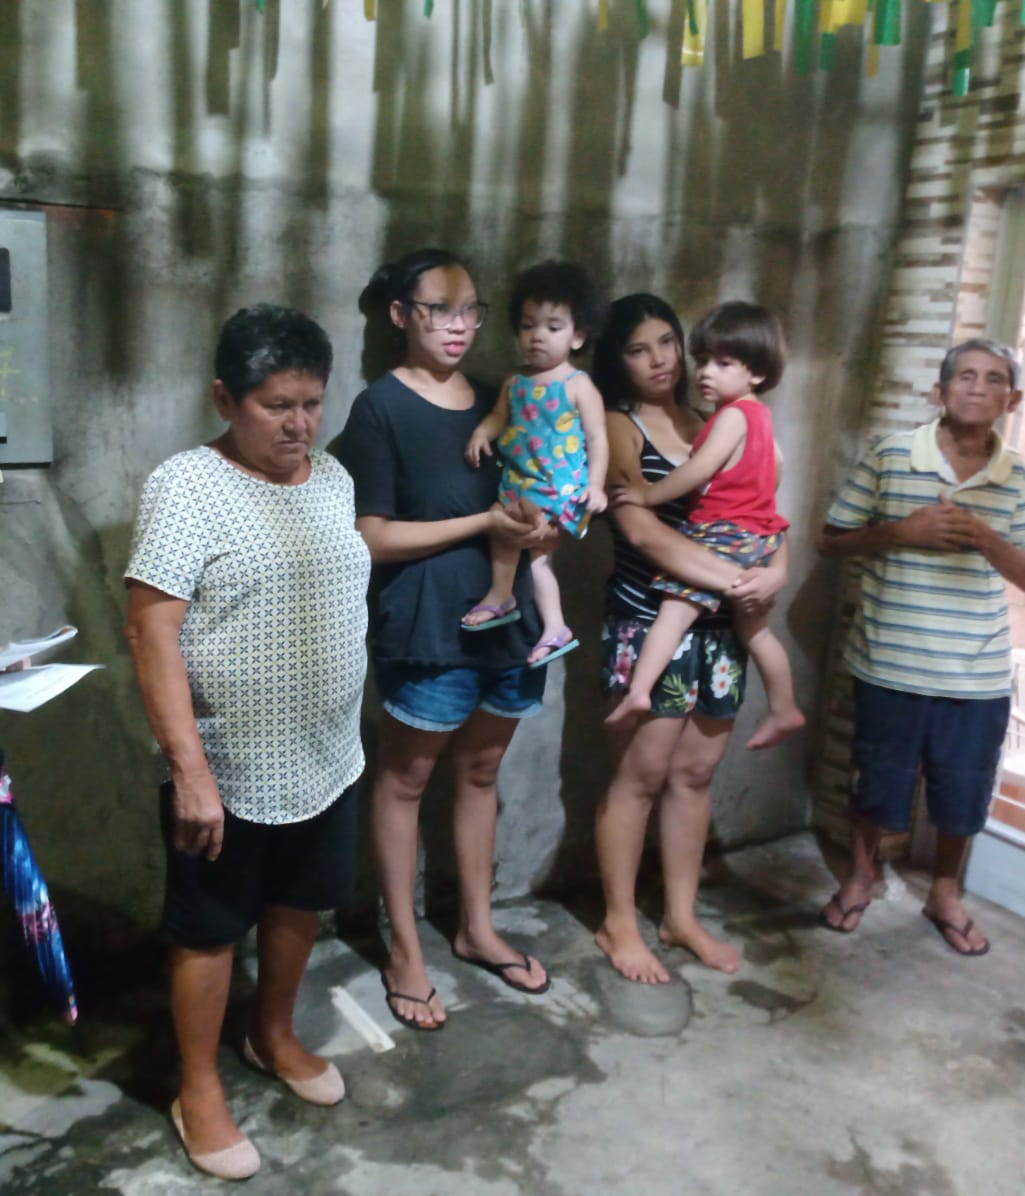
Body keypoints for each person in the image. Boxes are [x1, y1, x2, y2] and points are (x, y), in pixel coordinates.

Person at [123, 304, 368, 1181]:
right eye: (277, 406)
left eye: (312, 403)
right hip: (228, 768)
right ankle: (197, 1088)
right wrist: (188, 770)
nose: (299, 425)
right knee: (211, 930)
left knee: (300, 904)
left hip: (328, 755)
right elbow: (151, 630)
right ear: (226, 399)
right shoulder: (186, 486)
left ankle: (272, 1033)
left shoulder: (332, 479)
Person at [335, 247, 555, 1031]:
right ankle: (404, 949)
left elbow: (540, 485)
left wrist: (542, 525)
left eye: (470, 311)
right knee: (404, 782)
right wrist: (483, 521)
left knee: (482, 772)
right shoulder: (379, 409)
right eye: (440, 310)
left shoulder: (501, 398)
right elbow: (371, 538)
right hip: (427, 625)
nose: (459, 326)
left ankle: (476, 927)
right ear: (401, 315)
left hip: (510, 619)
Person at [817, 338, 1025, 955]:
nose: (978, 388)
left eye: (993, 379)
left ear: (1011, 400)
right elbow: (830, 540)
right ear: (939, 392)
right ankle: (861, 876)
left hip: (977, 673)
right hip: (890, 661)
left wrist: (987, 538)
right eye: (965, 376)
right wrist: (902, 531)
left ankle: (945, 891)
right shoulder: (892, 454)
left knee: (963, 792)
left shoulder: (1019, 478)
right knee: (875, 783)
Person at [592, 294, 789, 982]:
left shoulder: (722, 417)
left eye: (667, 343)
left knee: (696, 776)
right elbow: (641, 530)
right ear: (617, 361)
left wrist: (777, 570)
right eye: (638, 349)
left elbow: (764, 513)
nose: (660, 360)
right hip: (650, 621)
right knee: (639, 777)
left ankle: (680, 915)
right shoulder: (617, 425)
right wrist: (739, 579)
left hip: (720, 628)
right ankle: (618, 921)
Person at [610, 301, 804, 751]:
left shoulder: (730, 417)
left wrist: (647, 494)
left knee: (673, 612)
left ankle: (640, 691)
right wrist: (766, 563)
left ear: (757, 372)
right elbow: (772, 481)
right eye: (702, 361)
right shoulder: (762, 420)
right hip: (756, 537)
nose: (705, 373)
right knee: (756, 631)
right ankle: (783, 706)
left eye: (722, 363)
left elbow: (697, 471)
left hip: (721, 535)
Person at [462, 260, 609, 666]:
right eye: (527, 326)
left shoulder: (578, 385)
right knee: (533, 554)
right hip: (522, 483)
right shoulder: (515, 381)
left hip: (560, 489)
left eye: (552, 326)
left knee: (519, 534)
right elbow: (499, 416)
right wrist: (482, 432)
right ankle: (552, 625)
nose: (537, 336)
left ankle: (503, 595)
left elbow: (598, 438)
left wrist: (596, 486)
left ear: (578, 336)